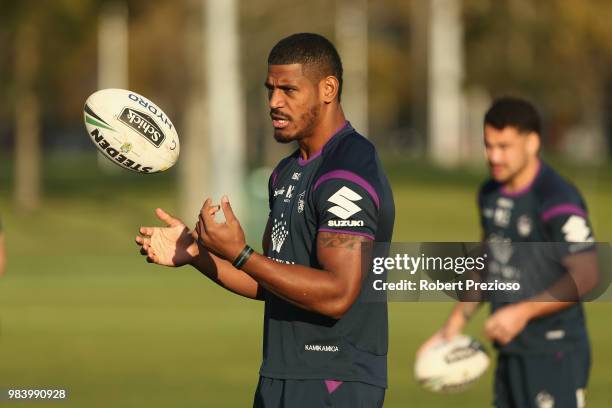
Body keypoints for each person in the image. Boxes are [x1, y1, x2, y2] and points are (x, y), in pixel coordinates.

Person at [136, 33, 395, 408]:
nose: (274, 102)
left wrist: (241, 253)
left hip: (334, 380)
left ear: (328, 88)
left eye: (289, 90)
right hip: (280, 374)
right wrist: (197, 253)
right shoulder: (287, 172)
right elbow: (273, 282)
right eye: (270, 89)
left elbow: (338, 293)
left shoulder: (348, 170)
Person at [419, 97, 598, 408]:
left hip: (555, 354)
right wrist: (453, 327)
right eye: (488, 146)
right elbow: (487, 263)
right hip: (509, 352)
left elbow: (588, 274)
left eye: (504, 147)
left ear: (532, 143)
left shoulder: (557, 199)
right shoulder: (489, 194)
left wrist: (522, 311)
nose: (494, 156)